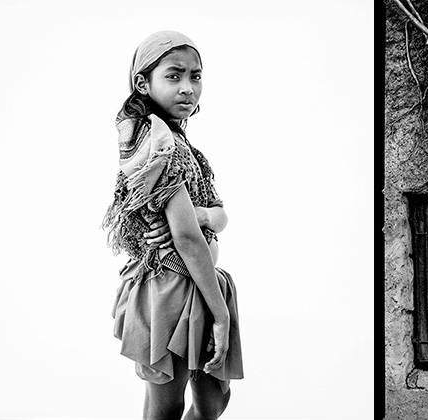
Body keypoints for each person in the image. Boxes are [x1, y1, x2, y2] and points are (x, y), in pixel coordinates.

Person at [102, 30, 243, 419]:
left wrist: (202, 215)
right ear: (142, 83)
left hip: (198, 284)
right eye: (174, 75)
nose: (188, 88)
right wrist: (221, 314)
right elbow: (187, 240)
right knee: (165, 406)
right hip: (172, 288)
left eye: (195, 76)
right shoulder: (158, 144)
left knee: (214, 399)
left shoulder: (182, 145)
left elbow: (219, 215)